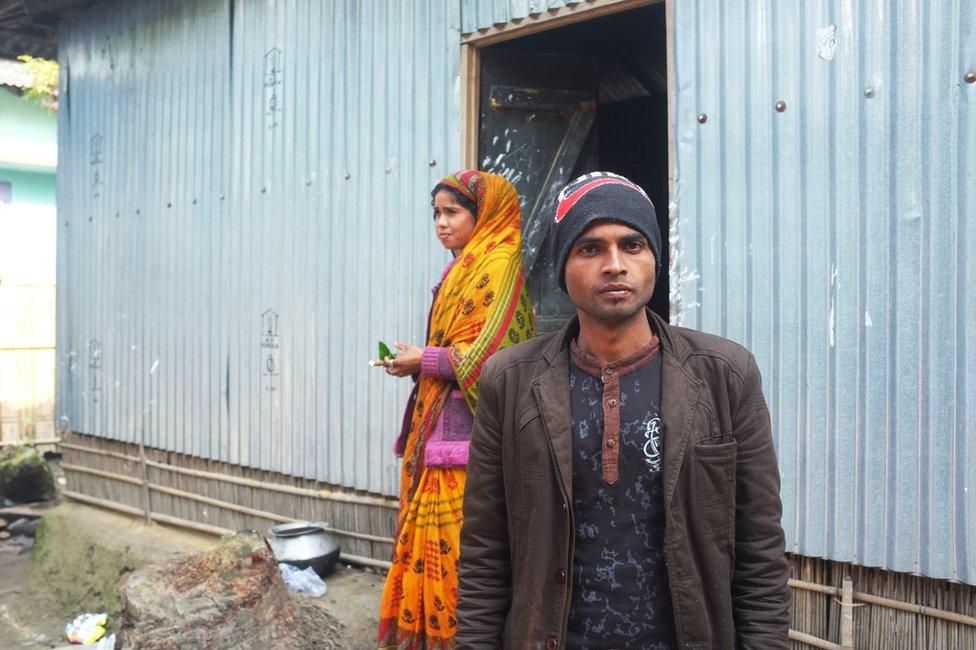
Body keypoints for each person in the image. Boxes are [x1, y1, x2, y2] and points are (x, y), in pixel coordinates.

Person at [455, 172, 790, 649]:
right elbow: (485, 550)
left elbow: (759, 546)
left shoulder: (724, 375)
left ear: (654, 258)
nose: (614, 264)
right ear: (562, 267)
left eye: (632, 245)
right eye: (590, 248)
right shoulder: (511, 381)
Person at [375, 170, 536, 649]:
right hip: (443, 433)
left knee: (457, 562)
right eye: (436, 214)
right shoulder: (463, 265)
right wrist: (416, 361)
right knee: (434, 555)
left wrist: (419, 359)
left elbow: (489, 360)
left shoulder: (499, 261)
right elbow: (457, 346)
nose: (441, 224)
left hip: (467, 445)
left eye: (453, 212)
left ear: (482, 215)